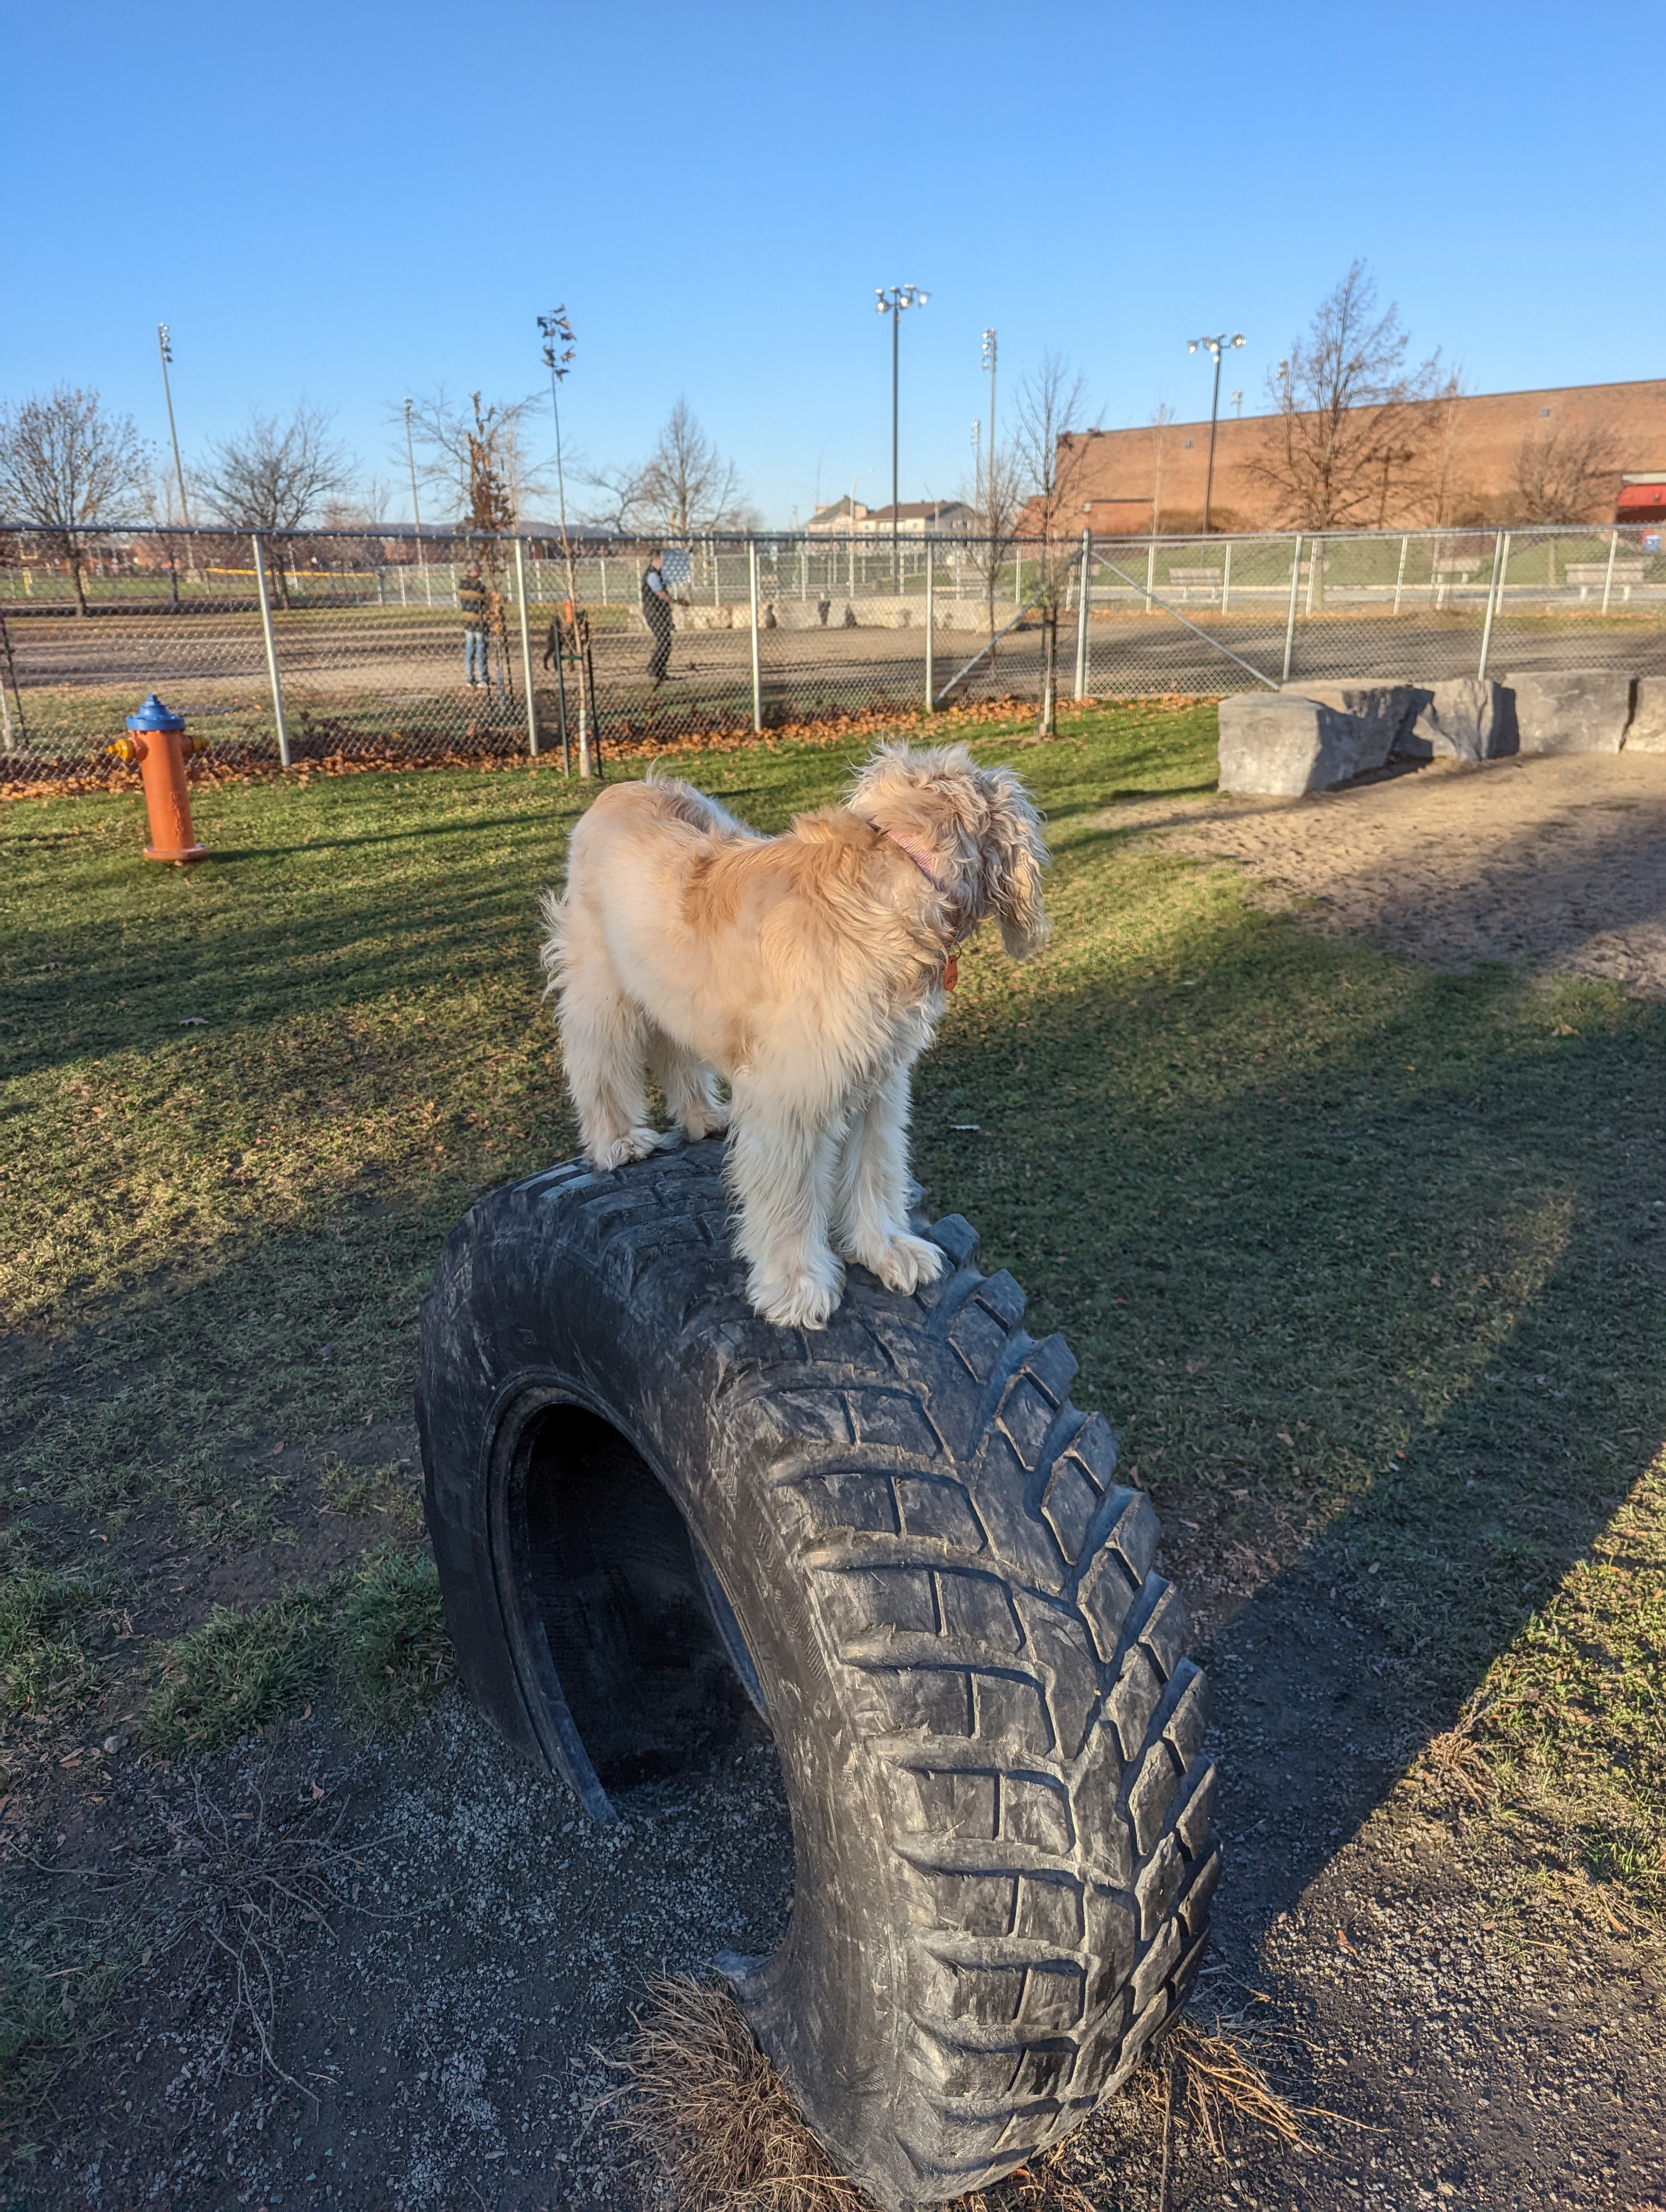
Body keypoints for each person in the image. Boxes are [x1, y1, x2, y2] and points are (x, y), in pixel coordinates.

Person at [641, 550, 676, 686]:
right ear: (657, 560)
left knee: (665, 641)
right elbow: (660, 593)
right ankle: (654, 668)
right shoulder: (652, 575)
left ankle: (657, 668)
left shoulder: (658, 574)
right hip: (654, 612)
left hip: (660, 612)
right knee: (664, 640)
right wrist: (675, 601)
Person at [458, 563, 491, 689]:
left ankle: (470, 678)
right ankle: (483, 678)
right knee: (481, 649)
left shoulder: (462, 585)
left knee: (470, 648)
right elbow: (485, 599)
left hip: (467, 620)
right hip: (479, 621)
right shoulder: (479, 587)